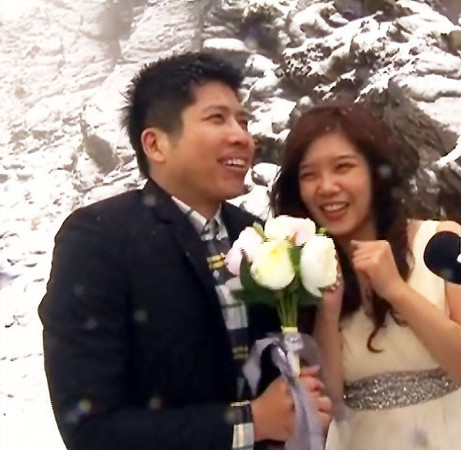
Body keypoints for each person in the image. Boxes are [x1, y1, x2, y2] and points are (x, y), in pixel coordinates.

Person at [39, 52, 332, 450]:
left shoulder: (255, 235)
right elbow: (91, 430)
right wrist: (251, 422)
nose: (242, 137)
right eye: (217, 118)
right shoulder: (99, 239)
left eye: (244, 121)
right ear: (155, 144)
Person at [271, 102, 461, 450]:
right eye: (309, 175)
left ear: (375, 173)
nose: (326, 186)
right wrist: (327, 314)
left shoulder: (442, 242)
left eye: (343, 167)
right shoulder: (300, 268)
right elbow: (325, 405)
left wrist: (397, 291)